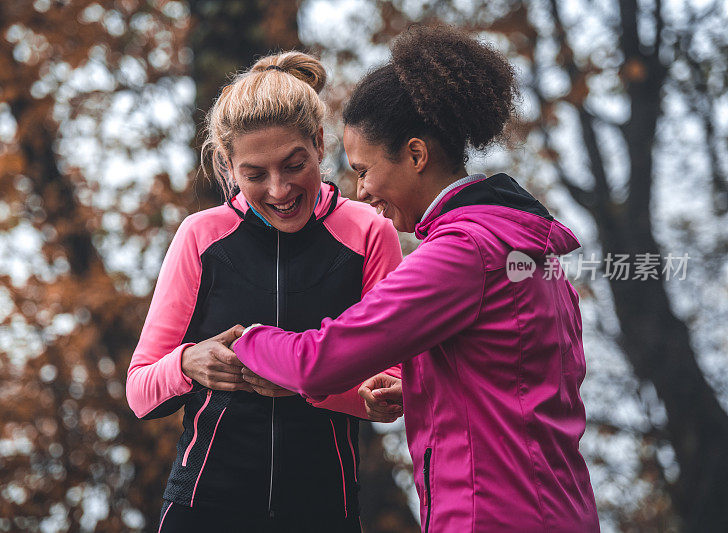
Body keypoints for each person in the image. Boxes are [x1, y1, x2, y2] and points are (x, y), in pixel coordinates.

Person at [232, 25, 600, 532]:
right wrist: (423, 389)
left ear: (416, 155)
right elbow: (518, 382)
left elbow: (320, 361)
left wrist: (245, 340)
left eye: (364, 170)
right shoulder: (529, 248)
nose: (361, 192)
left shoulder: (462, 253)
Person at [126, 51, 403, 532]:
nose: (279, 190)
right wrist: (188, 362)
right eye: (255, 175)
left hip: (323, 509)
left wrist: (305, 381)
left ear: (319, 143)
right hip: (203, 506)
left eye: (294, 165)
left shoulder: (369, 232)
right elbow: (140, 390)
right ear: (230, 168)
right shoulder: (201, 236)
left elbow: (393, 388)